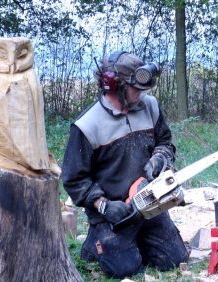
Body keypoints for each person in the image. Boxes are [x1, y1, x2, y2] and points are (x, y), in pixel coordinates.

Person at [62, 51, 188, 278]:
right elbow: (74, 179)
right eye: (136, 89)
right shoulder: (87, 125)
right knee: (125, 268)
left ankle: (138, 240)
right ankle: (95, 241)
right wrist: (102, 205)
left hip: (148, 200)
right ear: (114, 84)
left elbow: (165, 142)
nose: (142, 93)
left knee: (174, 259)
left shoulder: (149, 106)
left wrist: (160, 157)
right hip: (113, 211)